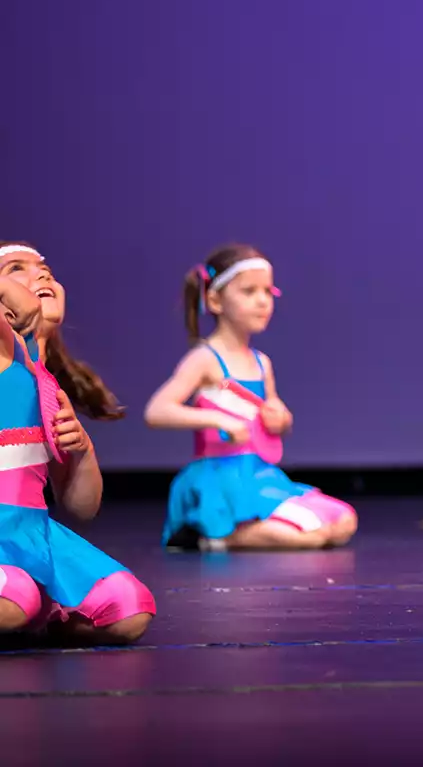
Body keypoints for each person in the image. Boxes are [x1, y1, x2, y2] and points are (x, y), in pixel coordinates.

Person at [145, 244, 357, 551]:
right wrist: (217, 418)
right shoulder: (205, 359)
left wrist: (280, 419)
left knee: (343, 521)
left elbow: (274, 417)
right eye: (249, 292)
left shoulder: (261, 362)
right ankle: (214, 536)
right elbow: (157, 410)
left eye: (268, 292)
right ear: (215, 300)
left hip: (258, 476)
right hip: (220, 479)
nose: (263, 301)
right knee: (305, 537)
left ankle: (228, 534)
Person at [0, 242, 154, 643]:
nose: (42, 274)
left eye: (45, 268)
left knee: (128, 607)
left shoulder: (43, 380)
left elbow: (81, 507)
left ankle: (34, 603)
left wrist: (82, 450)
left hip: (30, 532)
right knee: (12, 599)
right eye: (17, 268)